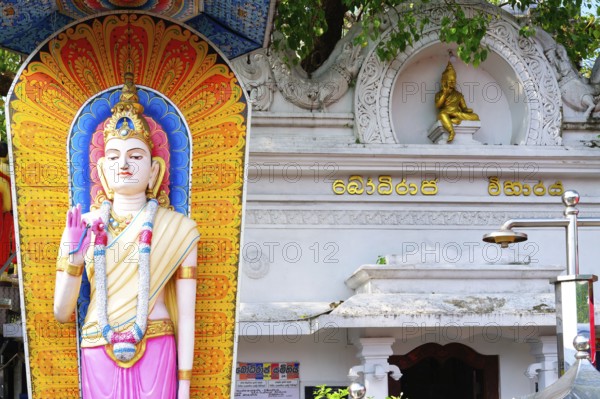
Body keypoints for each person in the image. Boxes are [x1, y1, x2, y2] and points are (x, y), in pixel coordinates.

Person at [53, 73, 200, 399]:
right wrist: (75, 259)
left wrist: (185, 386)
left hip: (156, 344)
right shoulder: (82, 225)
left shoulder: (179, 229)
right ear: (103, 169)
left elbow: (187, 315)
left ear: (154, 170)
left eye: (135, 156)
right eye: (115, 156)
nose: (124, 164)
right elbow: (62, 313)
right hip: (97, 344)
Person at [435, 62, 480, 142]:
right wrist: (445, 95)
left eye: (454, 81)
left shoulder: (458, 94)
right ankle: (451, 131)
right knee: (442, 114)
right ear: (444, 81)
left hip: (456, 113)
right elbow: (438, 106)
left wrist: (467, 110)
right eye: (450, 81)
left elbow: (464, 108)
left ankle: (452, 120)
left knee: (475, 117)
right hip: (446, 113)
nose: (452, 83)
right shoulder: (439, 94)